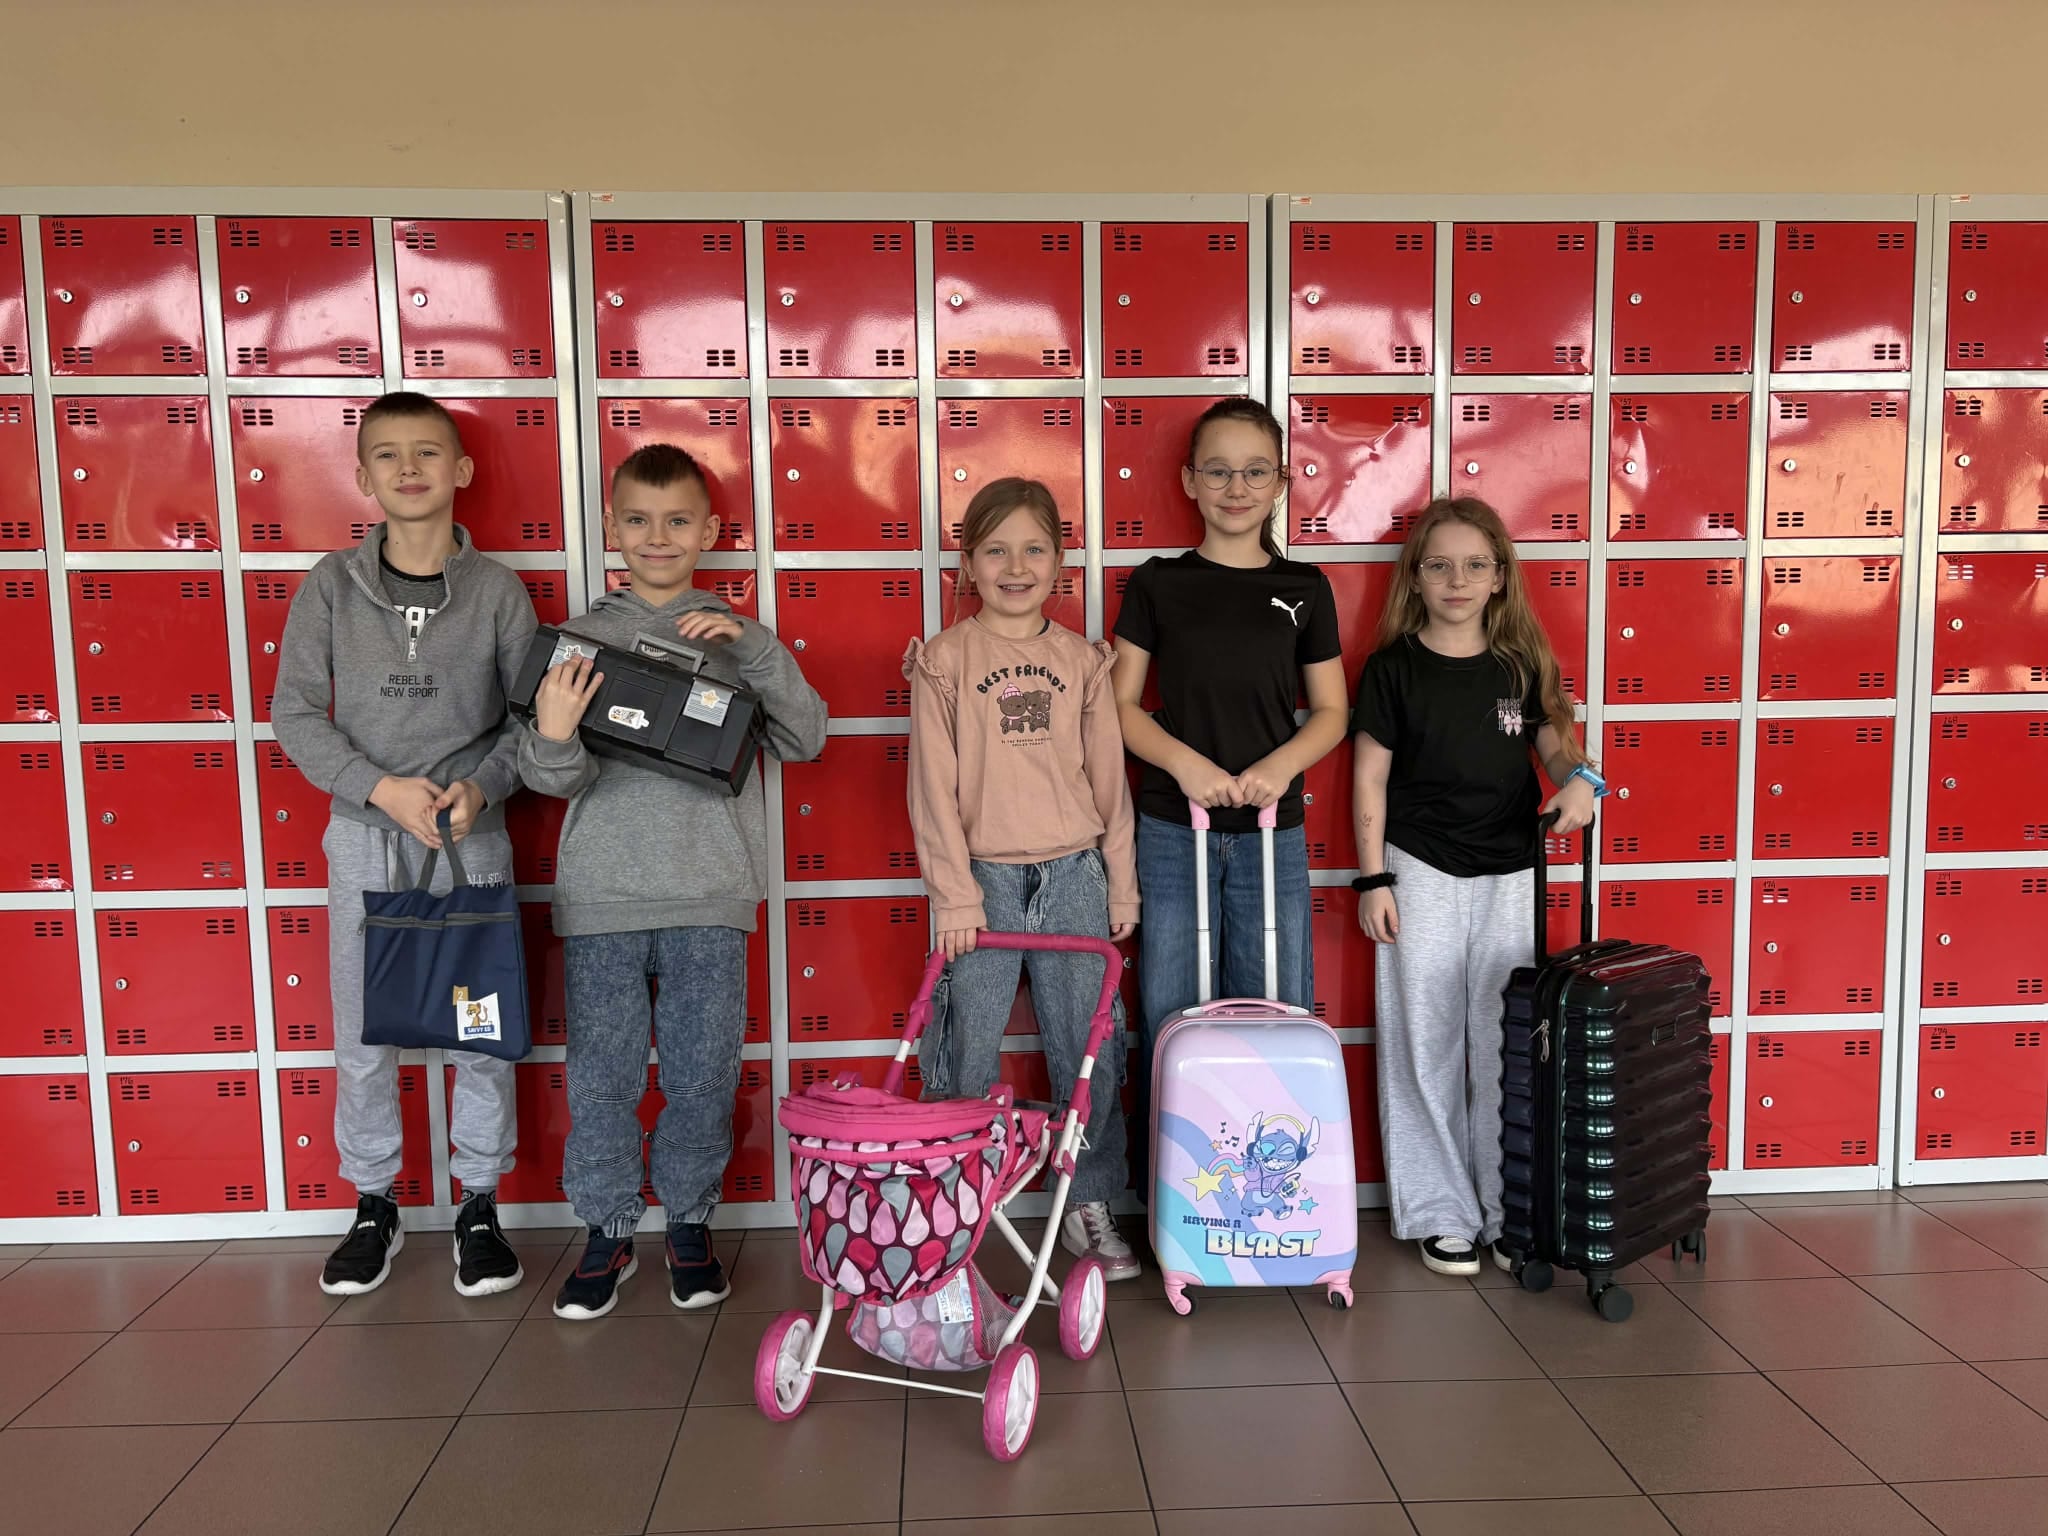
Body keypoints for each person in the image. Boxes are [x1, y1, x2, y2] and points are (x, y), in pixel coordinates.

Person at [520, 443, 827, 1319]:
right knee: (602, 1080)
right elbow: (548, 778)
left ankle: (690, 1224)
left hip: (710, 896)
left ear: (711, 531)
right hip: (603, 900)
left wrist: (757, 647)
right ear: (611, 527)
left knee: (702, 1075)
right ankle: (607, 1231)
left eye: (678, 521)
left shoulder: (738, 641)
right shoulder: (578, 641)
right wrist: (553, 733)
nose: (658, 537)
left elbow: (807, 737)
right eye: (639, 520)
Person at [274, 390, 536, 1298]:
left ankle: (479, 1205)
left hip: (470, 843)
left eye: (428, 452)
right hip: (365, 841)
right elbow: (294, 713)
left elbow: (530, 723)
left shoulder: (499, 592)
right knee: (364, 1028)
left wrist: (482, 787)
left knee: (478, 1030)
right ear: (362, 476)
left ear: (461, 470)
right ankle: (374, 1202)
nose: (409, 468)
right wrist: (378, 787)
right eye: (387, 455)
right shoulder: (329, 586)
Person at [1350, 495, 1603, 1276]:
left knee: (1506, 1043)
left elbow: (1557, 747)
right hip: (1419, 868)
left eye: (1474, 565)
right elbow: (1370, 780)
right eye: (1439, 566)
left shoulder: (1521, 664)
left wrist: (1583, 780)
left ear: (1499, 577)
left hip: (1511, 873)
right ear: (1415, 578)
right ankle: (1440, 1211)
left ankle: (1507, 1209)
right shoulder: (1393, 669)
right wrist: (1374, 879)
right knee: (1424, 1043)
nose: (1457, 580)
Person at [904, 477, 1142, 1279]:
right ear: (968, 563)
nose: (1016, 567)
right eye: (996, 551)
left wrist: (1119, 884)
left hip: (1073, 873)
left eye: (1034, 549)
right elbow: (932, 791)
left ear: (1060, 561)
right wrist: (954, 895)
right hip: (983, 882)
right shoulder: (944, 661)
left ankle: (1088, 1199)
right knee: (964, 1046)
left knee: (1086, 1049)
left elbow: (1110, 786)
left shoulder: (1081, 662)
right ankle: (949, 1194)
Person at [1111, 399, 1349, 1156]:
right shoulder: (1158, 583)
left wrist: (1278, 768)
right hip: (1173, 827)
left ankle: (1273, 1175)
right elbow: (1120, 705)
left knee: (1275, 1001)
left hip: (1271, 830)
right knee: (1174, 1007)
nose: (1235, 487)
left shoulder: (1305, 587)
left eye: (1254, 472)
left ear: (1280, 482)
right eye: (1217, 471)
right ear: (1189, 480)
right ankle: (1175, 1180)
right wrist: (1187, 765)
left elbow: (1332, 711)